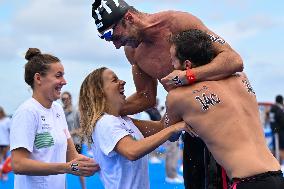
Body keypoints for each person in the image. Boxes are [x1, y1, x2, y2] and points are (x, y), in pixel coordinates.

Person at [92, 1, 243, 188]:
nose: (115, 45)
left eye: (112, 35)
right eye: (107, 39)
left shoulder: (178, 23)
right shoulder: (132, 51)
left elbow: (233, 60)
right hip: (191, 129)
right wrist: (102, 112)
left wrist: (187, 76)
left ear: (129, 18)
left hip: (221, 124)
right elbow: (145, 97)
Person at [166, 29, 284, 189]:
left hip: (246, 182)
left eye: (172, 61)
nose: (172, 67)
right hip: (277, 176)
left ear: (187, 64)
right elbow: (232, 62)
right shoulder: (242, 78)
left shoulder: (178, 97)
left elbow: (171, 135)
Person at [78, 67, 188, 189]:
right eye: (114, 80)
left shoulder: (123, 120)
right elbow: (132, 151)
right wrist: (172, 129)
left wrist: (176, 96)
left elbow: (161, 127)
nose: (122, 82)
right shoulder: (105, 122)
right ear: (99, 91)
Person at [9, 48, 99, 189]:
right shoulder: (27, 112)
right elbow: (18, 164)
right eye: (58, 76)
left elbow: (72, 157)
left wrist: (100, 163)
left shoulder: (57, 109)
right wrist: (66, 168)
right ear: (38, 78)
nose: (64, 81)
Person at [61, 91, 87, 189]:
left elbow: (83, 128)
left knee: (77, 167)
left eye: (66, 98)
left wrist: (70, 133)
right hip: (64, 144)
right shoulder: (60, 112)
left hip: (75, 143)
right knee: (61, 166)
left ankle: (84, 187)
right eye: (63, 99)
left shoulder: (76, 111)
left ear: (70, 99)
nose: (64, 101)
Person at [269, 95, 284, 164]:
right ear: (281, 100)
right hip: (279, 131)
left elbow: (271, 120)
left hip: (274, 131)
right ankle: (280, 164)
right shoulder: (278, 109)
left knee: (275, 148)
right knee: (281, 148)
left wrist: (274, 129)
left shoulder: (272, 108)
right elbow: (281, 121)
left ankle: (275, 163)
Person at [0, 106, 11, 180]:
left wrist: (10, 143)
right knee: (1, 159)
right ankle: (2, 173)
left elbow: (11, 131)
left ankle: (4, 173)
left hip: (5, 142)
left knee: (4, 158)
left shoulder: (7, 120)